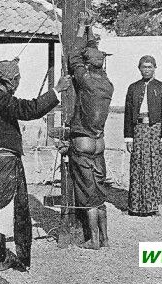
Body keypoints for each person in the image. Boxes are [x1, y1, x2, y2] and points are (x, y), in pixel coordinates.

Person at [0, 59, 70, 284]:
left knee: (3, 210)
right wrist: (56, 90)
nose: (18, 84)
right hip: (4, 161)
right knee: (2, 213)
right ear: (10, 80)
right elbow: (30, 109)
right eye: (17, 80)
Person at [68, 38, 113, 249]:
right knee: (100, 193)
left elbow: (73, 57)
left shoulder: (85, 80)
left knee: (87, 195)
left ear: (88, 65)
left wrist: (81, 28)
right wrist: (91, 35)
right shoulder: (107, 84)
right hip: (99, 142)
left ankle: (93, 240)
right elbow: (89, 60)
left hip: (83, 141)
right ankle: (105, 238)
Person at [124, 55, 162, 216]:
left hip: (155, 131)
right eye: (144, 67)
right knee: (137, 165)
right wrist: (128, 138)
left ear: (155, 68)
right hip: (138, 130)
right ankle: (135, 207)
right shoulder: (133, 88)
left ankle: (152, 206)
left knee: (154, 166)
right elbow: (128, 114)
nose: (147, 70)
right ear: (139, 69)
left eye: (150, 67)